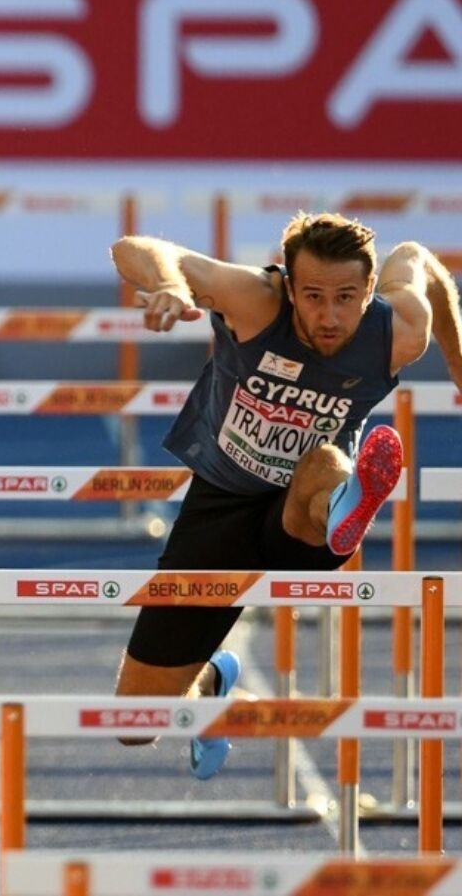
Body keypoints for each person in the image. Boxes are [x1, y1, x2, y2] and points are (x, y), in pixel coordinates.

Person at [112, 212, 462, 779]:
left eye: (347, 297)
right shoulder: (256, 301)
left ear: (370, 290)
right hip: (221, 502)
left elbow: (419, 263)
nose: (330, 316)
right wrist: (173, 286)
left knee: (322, 461)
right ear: (289, 287)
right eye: (315, 297)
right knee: (133, 723)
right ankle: (211, 681)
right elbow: (136, 247)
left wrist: (458, 361)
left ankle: (347, 506)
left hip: (304, 513)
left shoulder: (397, 330)